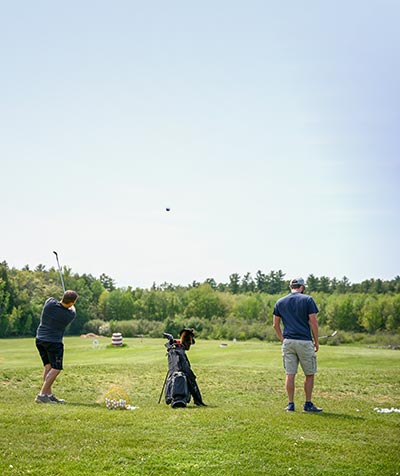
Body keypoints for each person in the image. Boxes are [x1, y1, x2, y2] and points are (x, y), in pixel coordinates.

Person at [273, 278, 322, 413]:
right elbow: (313, 322)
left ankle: (290, 404)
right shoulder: (308, 300)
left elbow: (275, 325)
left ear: (290, 287)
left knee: (290, 374)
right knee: (309, 374)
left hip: (288, 342)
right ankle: (307, 404)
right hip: (304, 341)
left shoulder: (280, 301)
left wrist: (283, 339)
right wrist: (316, 341)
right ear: (302, 287)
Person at [35, 290, 78, 404]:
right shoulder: (69, 315)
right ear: (72, 302)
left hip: (40, 340)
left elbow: (52, 298)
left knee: (48, 367)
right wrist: (72, 305)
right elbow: (73, 309)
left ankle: (49, 395)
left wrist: (64, 299)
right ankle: (42, 395)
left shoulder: (49, 304)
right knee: (56, 368)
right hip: (54, 342)